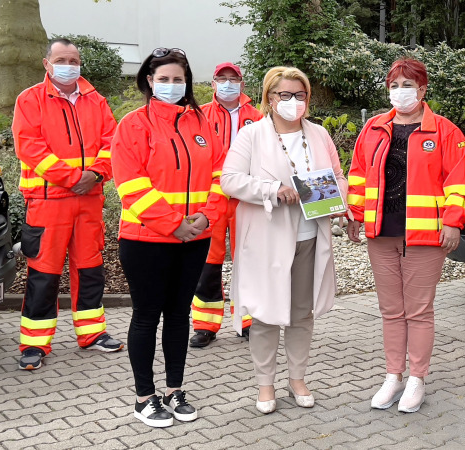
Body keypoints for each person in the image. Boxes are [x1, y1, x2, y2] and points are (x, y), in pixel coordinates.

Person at [347, 58, 465, 413]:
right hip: (380, 232)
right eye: (394, 84)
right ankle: (393, 376)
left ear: (422, 89)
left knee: (418, 311)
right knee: (390, 310)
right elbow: (358, 175)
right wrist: (355, 214)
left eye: (407, 84)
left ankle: (417, 378)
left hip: (424, 235)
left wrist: (452, 221)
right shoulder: (373, 128)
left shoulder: (445, 131)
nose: (399, 91)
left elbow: (457, 181)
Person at [111, 48, 226, 428]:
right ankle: (145, 397)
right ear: (149, 80)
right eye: (164, 79)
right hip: (146, 239)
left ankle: (175, 390)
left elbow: (220, 174)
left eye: (178, 79)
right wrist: (173, 223)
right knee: (146, 317)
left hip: (194, 237)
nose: (172, 86)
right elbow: (131, 184)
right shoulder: (133, 124)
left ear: (187, 82)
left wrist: (206, 216)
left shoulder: (201, 123)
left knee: (179, 315)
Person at [220, 66, 345, 414]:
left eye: (300, 95)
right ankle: (265, 383)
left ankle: (297, 378)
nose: (293, 102)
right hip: (266, 239)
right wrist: (272, 190)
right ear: (270, 99)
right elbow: (230, 180)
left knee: (301, 313)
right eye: (284, 95)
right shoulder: (252, 135)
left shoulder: (319, 134)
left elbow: (337, 175)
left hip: (309, 236)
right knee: (265, 314)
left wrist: (337, 200)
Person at [12, 38, 123, 371]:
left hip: (88, 199)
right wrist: (73, 178)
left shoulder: (95, 100)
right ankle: (34, 344)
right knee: (43, 274)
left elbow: (111, 142)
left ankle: (92, 333)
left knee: (90, 269)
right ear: (47, 63)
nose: (69, 65)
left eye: (74, 60)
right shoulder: (30, 100)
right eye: (62, 59)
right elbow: (29, 148)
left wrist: (95, 174)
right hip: (49, 202)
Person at [189, 62, 263, 348]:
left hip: (246, 198)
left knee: (248, 261)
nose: (228, 84)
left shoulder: (257, 117)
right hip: (213, 198)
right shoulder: (199, 116)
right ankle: (205, 325)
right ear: (213, 84)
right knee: (209, 261)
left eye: (234, 79)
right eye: (222, 78)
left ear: (242, 85)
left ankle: (248, 322)